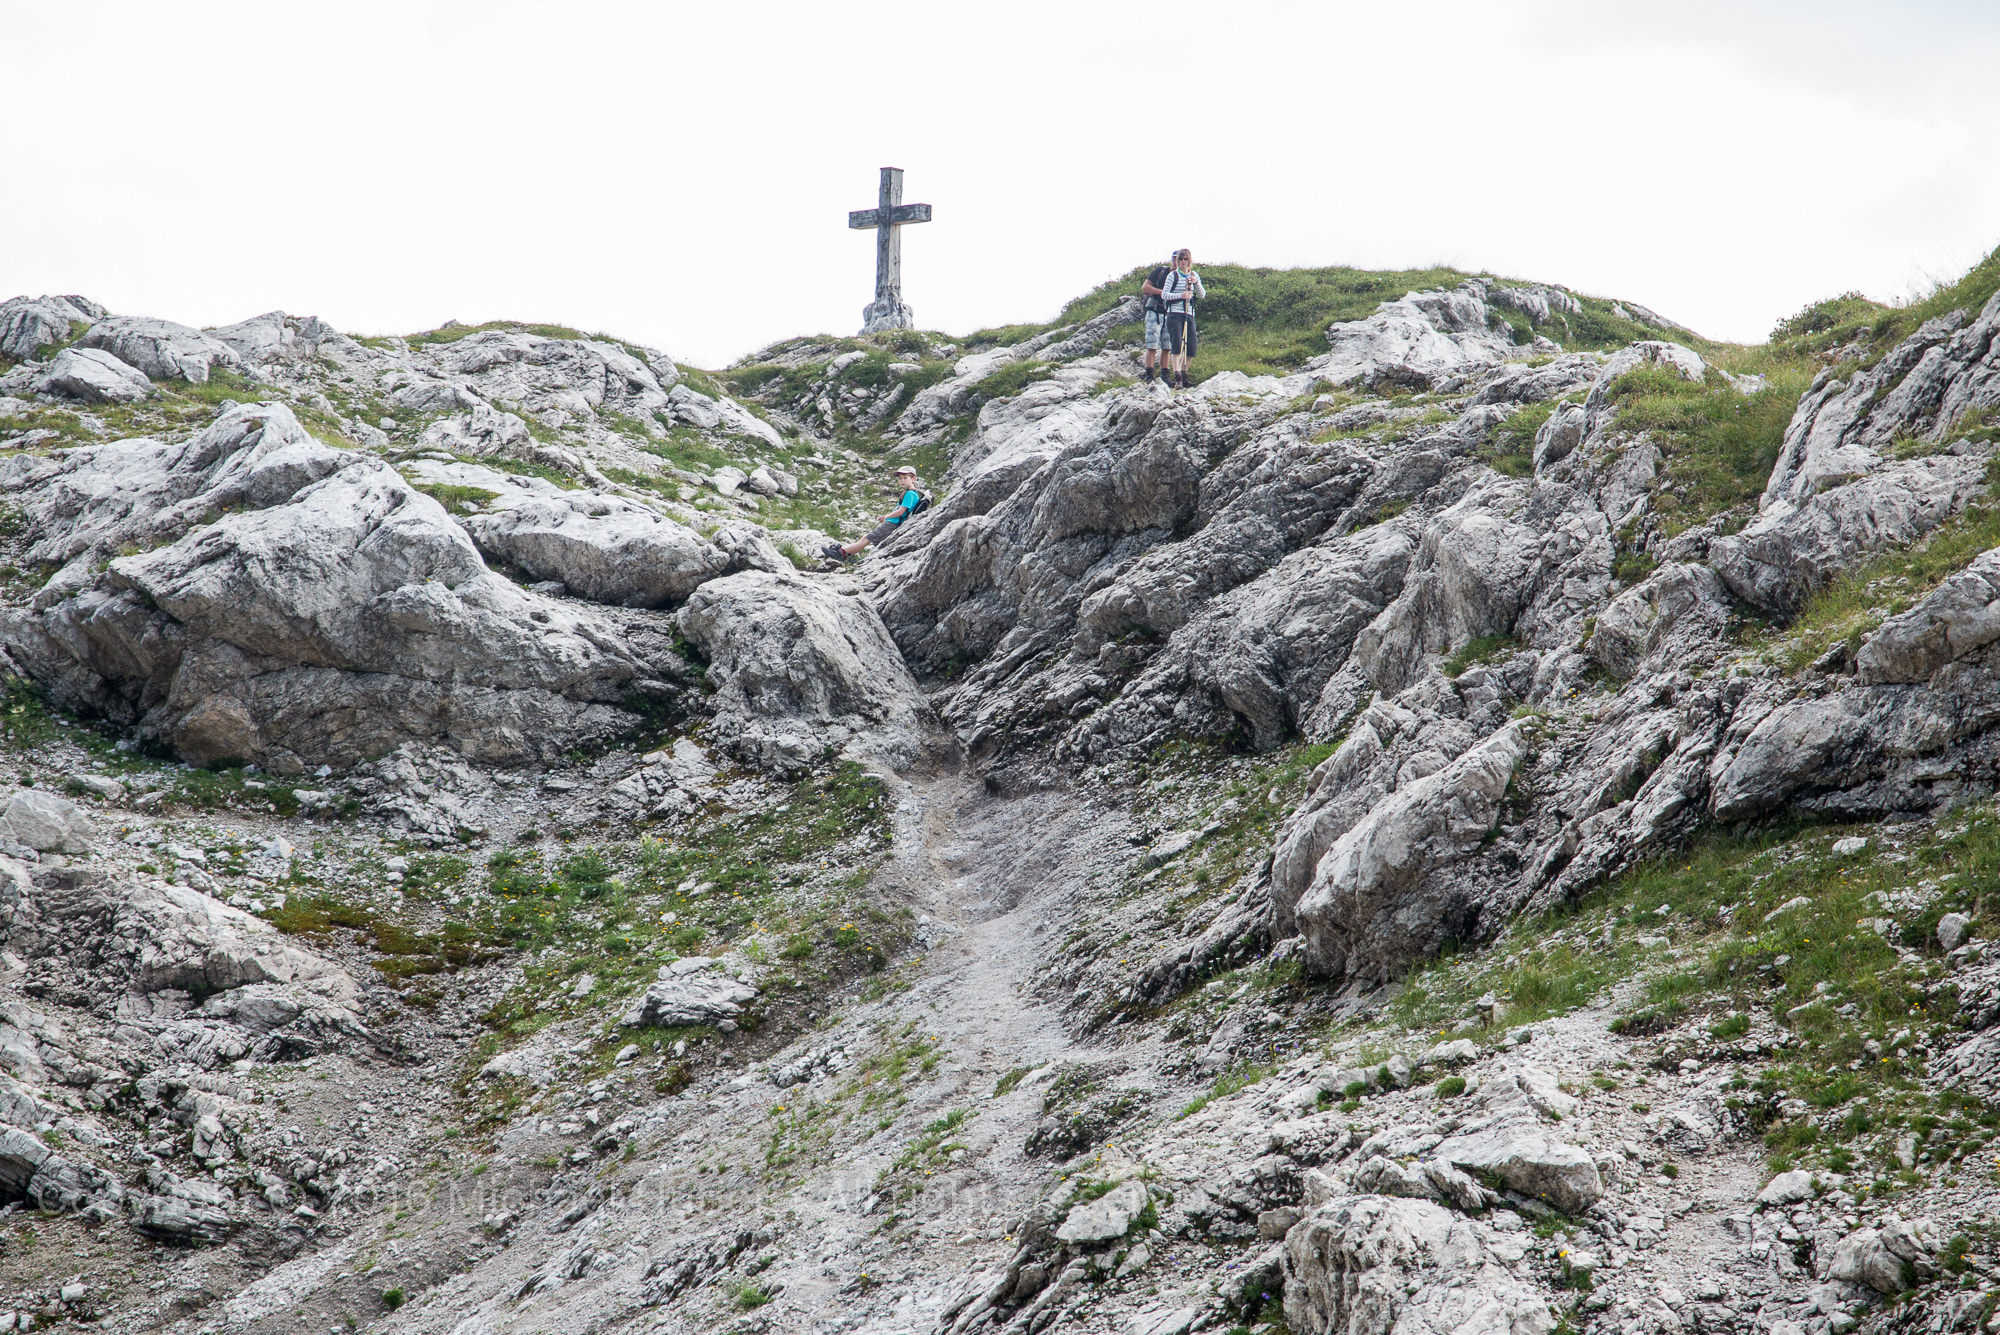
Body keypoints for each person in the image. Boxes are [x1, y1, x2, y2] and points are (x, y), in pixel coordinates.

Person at [823, 465, 927, 560]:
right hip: (892, 522)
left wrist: (886, 516)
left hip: (893, 523)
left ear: (913, 479)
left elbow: (901, 512)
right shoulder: (912, 493)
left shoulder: (910, 494)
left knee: (867, 538)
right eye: (900, 478)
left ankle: (840, 553)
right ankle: (845, 554)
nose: (902, 480)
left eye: (905, 478)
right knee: (867, 538)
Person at [1160, 249, 1205, 389]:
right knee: (1177, 345)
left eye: (1186, 259)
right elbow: (1164, 294)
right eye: (1181, 259)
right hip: (1174, 313)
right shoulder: (1172, 276)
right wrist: (1181, 296)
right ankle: (1178, 376)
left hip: (1189, 313)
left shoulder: (1194, 275)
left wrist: (1196, 283)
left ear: (1189, 260)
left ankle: (1184, 375)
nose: (1183, 262)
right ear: (1177, 261)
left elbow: (1202, 295)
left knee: (1191, 347)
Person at [1138, 253, 1175, 382]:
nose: (1176, 262)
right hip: (1154, 310)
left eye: (1180, 259)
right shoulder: (1161, 271)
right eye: (1175, 259)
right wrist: (1162, 293)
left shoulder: (1181, 277)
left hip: (1169, 312)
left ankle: (1165, 376)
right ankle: (1149, 375)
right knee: (1152, 343)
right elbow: (1145, 286)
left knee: (1167, 345)